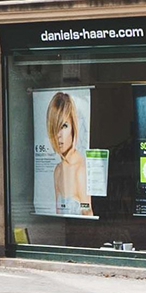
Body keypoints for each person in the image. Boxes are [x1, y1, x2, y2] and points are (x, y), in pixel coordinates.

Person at [46, 89, 92, 217]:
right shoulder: (58, 171)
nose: (59, 135)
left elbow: (88, 214)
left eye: (64, 126)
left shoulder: (81, 169)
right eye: (55, 128)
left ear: (73, 126)